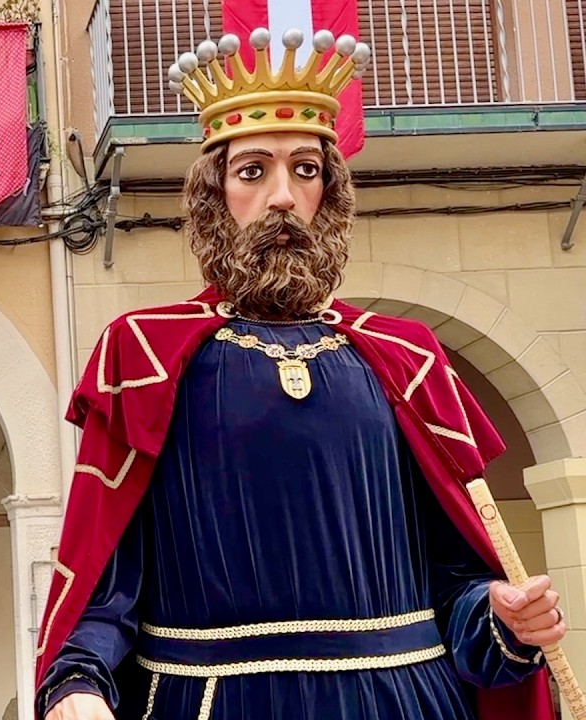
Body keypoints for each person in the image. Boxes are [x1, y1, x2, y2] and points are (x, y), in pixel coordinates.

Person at [35, 28, 562, 720]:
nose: (282, 196)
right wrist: (77, 681)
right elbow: (103, 574)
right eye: (254, 171)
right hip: (217, 704)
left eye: (305, 170)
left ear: (329, 193)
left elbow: (454, 581)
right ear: (214, 197)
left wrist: (498, 618)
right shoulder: (145, 355)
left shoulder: (404, 357)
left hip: (401, 703)